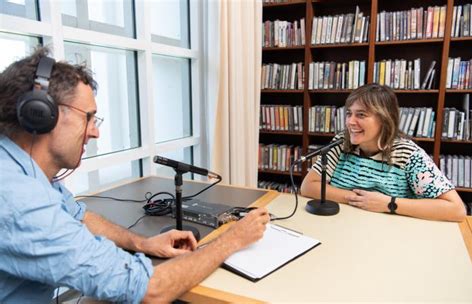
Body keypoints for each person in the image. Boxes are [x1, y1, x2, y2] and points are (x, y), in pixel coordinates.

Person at [0, 47, 270, 303]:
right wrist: (233, 239)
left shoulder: (22, 170)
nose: (95, 132)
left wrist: (142, 243)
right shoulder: (18, 200)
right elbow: (150, 290)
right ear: (42, 114)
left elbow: (79, 217)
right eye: (89, 117)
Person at [301, 83, 466, 222]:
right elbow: (308, 187)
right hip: (342, 227)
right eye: (349, 113)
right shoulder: (341, 141)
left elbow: (456, 209)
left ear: (385, 119)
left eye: (361, 115)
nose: (350, 122)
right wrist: (360, 200)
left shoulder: (408, 153)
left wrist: (389, 204)